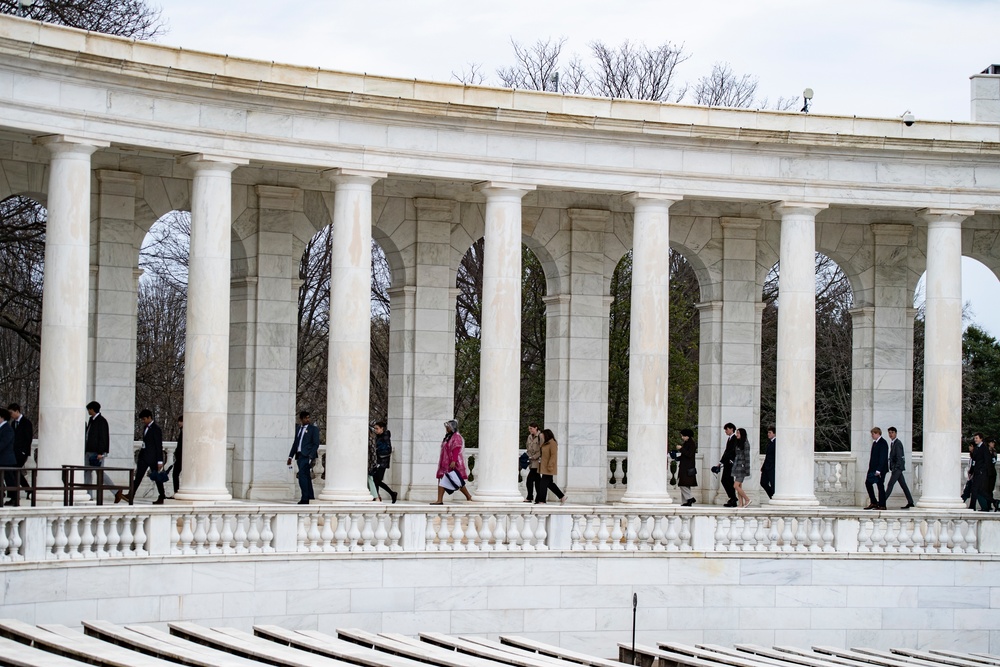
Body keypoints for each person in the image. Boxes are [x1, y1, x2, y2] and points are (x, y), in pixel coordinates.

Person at [117, 409, 165, 504]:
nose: (143, 421)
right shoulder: (145, 428)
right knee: (138, 477)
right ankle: (131, 494)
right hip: (144, 458)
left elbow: (159, 446)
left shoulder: (156, 429)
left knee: (157, 478)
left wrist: (160, 461)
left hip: (153, 458)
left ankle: (162, 496)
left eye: (144, 419)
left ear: (149, 417)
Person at [432, 420, 472, 505]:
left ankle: (468, 496)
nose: (446, 428)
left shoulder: (456, 437)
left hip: (451, 462)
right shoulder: (448, 436)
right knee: (442, 478)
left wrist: (454, 460)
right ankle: (439, 500)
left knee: (456, 480)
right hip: (445, 462)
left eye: (448, 427)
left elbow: (456, 449)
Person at [286, 410, 319, 505]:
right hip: (299, 456)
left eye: (308, 417)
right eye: (305, 418)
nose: (307, 420)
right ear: (301, 419)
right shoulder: (298, 429)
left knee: (302, 477)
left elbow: (315, 444)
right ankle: (310, 497)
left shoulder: (313, 429)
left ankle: (305, 498)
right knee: (306, 477)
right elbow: (295, 443)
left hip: (307, 456)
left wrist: (310, 456)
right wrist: (290, 456)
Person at [84, 400, 114, 501]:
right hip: (89, 451)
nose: (88, 411)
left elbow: (103, 437)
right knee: (87, 472)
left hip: (97, 452)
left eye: (89, 409)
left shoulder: (102, 421)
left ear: (92, 409)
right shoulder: (91, 420)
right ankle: (88, 495)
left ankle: (116, 491)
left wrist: (101, 452)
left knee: (100, 473)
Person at [884, 426, 915, 509]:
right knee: (904, 485)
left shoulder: (898, 443)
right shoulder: (893, 443)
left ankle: (882, 502)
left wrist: (895, 468)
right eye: (889, 433)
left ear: (896, 433)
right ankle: (910, 502)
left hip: (897, 469)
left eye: (892, 432)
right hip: (897, 468)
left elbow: (899, 457)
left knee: (890, 484)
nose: (890, 434)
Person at [7, 403, 32, 500]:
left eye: (11, 412)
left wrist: (24, 452)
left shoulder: (26, 423)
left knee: (14, 470)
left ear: (17, 411)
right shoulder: (13, 423)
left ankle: (16, 493)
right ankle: (27, 489)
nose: (10, 415)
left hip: (21, 453)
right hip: (14, 452)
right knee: (15, 471)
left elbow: (28, 438)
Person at [535, 428, 566, 504]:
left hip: (549, 467)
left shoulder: (552, 443)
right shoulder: (546, 443)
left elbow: (553, 455)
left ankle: (542, 500)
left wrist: (550, 465)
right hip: (544, 466)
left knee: (543, 484)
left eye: (543, 434)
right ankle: (562, 496)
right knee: (549, 484)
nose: (541, 435)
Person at [670, 428, 698, 506]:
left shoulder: (691, 443)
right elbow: (684, 456)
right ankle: (686, 501)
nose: (682, 437)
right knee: (685, 484)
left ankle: (690, 498)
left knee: (683, 483)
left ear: (688, 436)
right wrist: (676, 458)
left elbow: (689, 454)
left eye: (684, 436)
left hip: (687, 467)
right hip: (685, 466)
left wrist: (681, 449)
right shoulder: (687, 443)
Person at [371, 421, 397, 503]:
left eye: (377, 428)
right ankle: (377, 496)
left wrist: (376, 450)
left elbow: (386, 449)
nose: (375, 430)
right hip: (378, 461)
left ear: (382, 428)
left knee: (377, 480)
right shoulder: (378, 436)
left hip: (382, 462)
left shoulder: (385, 436)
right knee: (375, 480)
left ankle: (391, 493)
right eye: (375, 428)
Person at [864, 427, 889, 510]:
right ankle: (874, 502)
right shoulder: (875, 443)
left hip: (880, 470)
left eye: (873, 434)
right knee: (868, 483)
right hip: (873, 469)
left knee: (880, 486)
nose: (872, 435)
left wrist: (879, 470)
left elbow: (883, 458)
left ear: (878, 433)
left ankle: (882, 504)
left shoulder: (883, 443)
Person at [717, 423, 738, 507]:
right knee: (728, 480)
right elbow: (726, 452)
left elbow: (731, 451)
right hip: (727, 462)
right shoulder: (730, 439)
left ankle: (733, 498)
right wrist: (720, 462)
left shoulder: (734, 439)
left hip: (730, 463)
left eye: (727, 429)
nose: (725, 431)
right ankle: (733, 498)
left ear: (731, 429)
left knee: (726, 480)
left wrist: (730, 460)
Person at [971, 433, 992, 511]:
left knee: (977, 489)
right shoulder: (977, 448)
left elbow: (987, 461)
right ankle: (991, 503)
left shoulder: (984, 448)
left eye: (976, 438)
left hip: (981, 473)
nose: (975, 439)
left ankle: (973, 506)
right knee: (977, 490)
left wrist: (982, 471)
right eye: (975, 438)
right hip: (977, 472)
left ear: (981, 439)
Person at [732, 427, 752, 508]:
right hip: (738, 466)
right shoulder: (739, 443)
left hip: (742, 467)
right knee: (739, 486)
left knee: (735, 485)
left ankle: (747, 499)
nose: (737, 434)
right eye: (737, 433)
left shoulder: (745, 443)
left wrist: (747, 468)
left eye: (738, 433)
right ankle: (740, 503)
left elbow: (747, 457)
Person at [523, 423, 543, 503]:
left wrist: (534, 457)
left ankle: (530, 496)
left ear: (536, 428)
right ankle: (539, 498)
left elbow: (542, 449)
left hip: (537, 461)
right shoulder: (529, 437)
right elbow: (528, 448)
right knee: (537, 480)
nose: (530, 430)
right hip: (531, 461)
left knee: (530, 480)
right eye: (529, 429)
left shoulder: (540, 436)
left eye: (531, 428)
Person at [0, 408, 15, 506]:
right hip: (2, 459)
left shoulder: (7, 429)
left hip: (6, 460)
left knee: (10, 480)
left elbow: (3, 443)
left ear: (2, 417)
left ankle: (14, 498)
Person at [760, 427, 776, 500]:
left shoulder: (776, 443)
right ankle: (772, 495)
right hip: (766, 467)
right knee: (763, 482)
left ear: (774, 433)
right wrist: (763, 466)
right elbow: (767, 456)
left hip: (772, 467)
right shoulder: (770, 442)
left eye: (770, 432)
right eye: (768, 432)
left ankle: (773, 497)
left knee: (773, 484)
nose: (768, 434)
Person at [172, 415, 183, 496]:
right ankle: (176, 491)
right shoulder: (182, 431)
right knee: (175, 474)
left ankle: (177, 491)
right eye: (179, 421)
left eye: (181, 421)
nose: (179, 423)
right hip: (179, 457)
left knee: (175, 474)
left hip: (182, 457)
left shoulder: (185, 431)